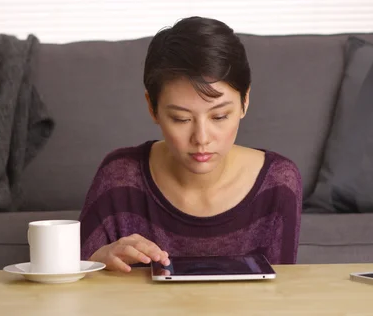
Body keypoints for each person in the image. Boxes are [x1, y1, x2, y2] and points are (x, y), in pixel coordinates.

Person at [78, 16, 302, 273]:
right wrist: (98, 261)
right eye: (181, 119)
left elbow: (282, 296)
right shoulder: (119, 177)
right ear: (152, 108)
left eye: (219, 116)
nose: (202, 138)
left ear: (245, 102)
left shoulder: (277, 182)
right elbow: (70, 287)